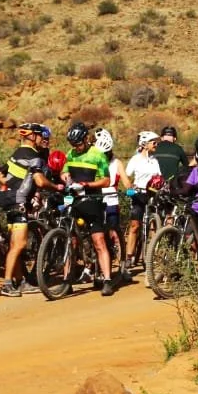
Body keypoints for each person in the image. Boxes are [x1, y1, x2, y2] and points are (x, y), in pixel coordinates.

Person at [0, 123, 63, 297]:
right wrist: (56, 187)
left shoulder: (16, 153)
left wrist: (13, 186)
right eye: (42, 137)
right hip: (19, 202)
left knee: (13, 245)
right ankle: (7, 284)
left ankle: (21, 281)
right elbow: (40, 181)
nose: (44, 140)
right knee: (20, 244)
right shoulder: (34, 156)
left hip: (7, 200)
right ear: (33, 137)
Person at [62, 124, 121, 296]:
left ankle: (108, 280)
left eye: (78, 143)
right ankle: (67, 280)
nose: (76, 147)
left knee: (99, 241)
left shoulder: (98, 155)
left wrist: (88, 185)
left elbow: (106, 181)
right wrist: (64, 176)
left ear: (86, 139)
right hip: (75, 201)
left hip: (92, 201)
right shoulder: (71, 154)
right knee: (70, 241)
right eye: (73, 144)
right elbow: (64, 171)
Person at [123, 131, 162, 267]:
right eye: (153, 142)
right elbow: (126, 175)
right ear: (145, 144)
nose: (156, 144)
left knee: (153, 226)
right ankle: (129, 256)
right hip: (138, 193)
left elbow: (159, 176)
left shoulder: (155, 160)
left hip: (152, 194)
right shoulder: (135, 159)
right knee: (135, 225)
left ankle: (151, 255)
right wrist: (130, 187)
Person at [97, 129, 127, 267]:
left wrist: (131, 190)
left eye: (106, 153)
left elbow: (126, 181)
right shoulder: (95, 160)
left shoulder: (117, 163)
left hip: (111, 199)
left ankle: (123, 262)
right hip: (96, 197)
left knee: (114, 229)